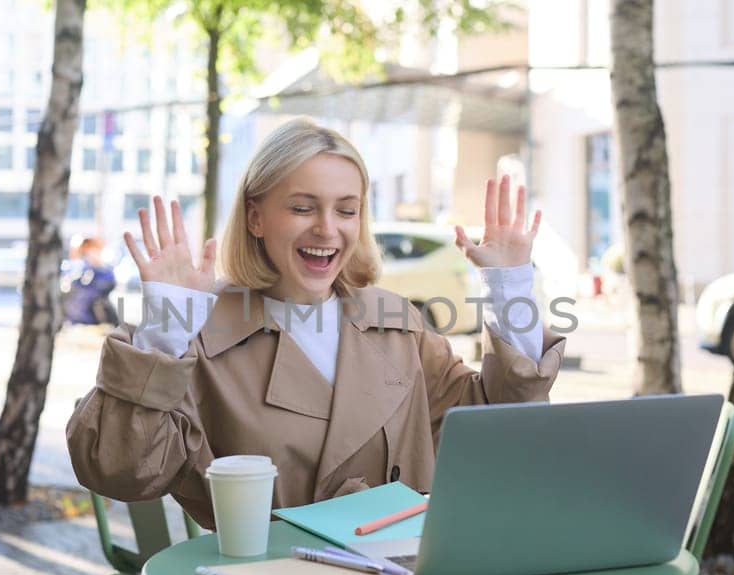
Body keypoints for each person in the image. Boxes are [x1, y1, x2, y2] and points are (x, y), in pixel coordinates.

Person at [66, 117, 565, 529]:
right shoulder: (194, 329)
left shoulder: (395, 319)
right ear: (256, 218)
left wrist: (510, 286)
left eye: (346, 210)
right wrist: (164, 326)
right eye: (303, 208)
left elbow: (494, 426)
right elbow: (121, 473)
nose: (327, 229)